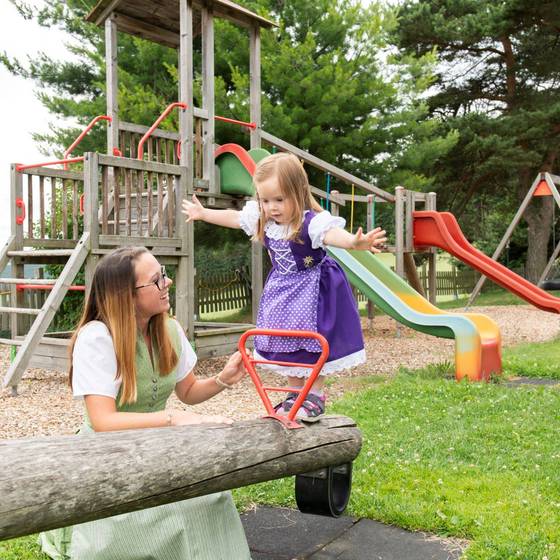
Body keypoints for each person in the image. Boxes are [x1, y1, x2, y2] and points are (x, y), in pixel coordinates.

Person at [39, 246, 251, 560]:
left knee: (207, 498)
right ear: (127, 295)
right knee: (142, 520)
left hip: (160, 444)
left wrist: (222, 379)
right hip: (109, 451)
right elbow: (103, 422)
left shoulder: (169, 329)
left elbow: (188, 391)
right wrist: (174, 420)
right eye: (156, 280)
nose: (167, 283)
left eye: (163, 275)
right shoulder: (97, 337)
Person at [182, 152, 386, 418]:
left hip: (313, 289)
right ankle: (294, 393)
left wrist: (354, 243)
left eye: (279, 199)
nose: (272, 207)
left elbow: (333, 235)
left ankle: (314, 395)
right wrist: (203, 213)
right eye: (265, 200)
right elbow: (233, 218)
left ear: (298, 193)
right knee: (286, 339)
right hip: (282, 290)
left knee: (313, 340)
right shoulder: (264, 220)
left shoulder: (311, 223)